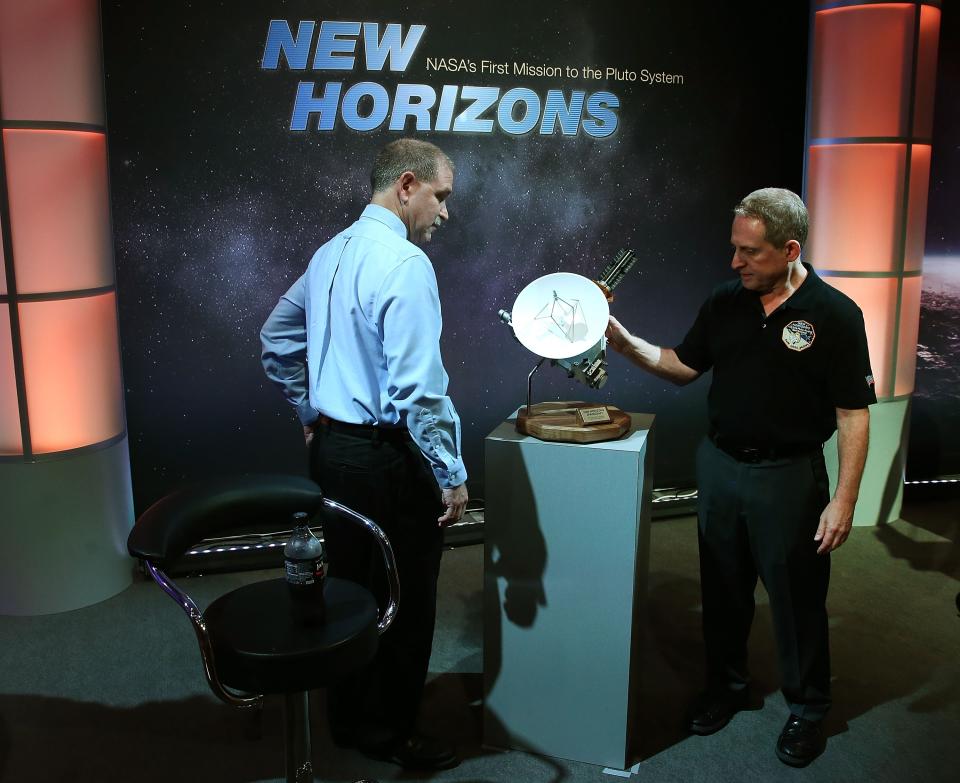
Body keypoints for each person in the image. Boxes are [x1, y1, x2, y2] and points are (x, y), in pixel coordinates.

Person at [606, 188, 875, 767]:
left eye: (749, 253)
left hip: (788, 478)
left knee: (798, 600)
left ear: (790, 249)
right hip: (721, 467)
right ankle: (726, 687)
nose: (735, 263)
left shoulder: (835, 314)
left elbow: (853, 412)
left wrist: (845, 500)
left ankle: (807, 707)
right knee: (723, 591)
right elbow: (683, 367)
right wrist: (623, 342)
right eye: (734, 249)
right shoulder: (725, 301)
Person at [260, 138, 468, 771]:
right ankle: (393, 732)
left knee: (350, 590)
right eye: (442, 196)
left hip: (333, 455)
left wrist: (308, 411)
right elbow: (419, 389)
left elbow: (276, 339)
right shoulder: (404, 264)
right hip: (386, 460)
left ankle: (348, 718)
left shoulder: (331, 251)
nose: (445, 213)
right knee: (405, 599)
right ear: (407, 186)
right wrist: (451, 474)